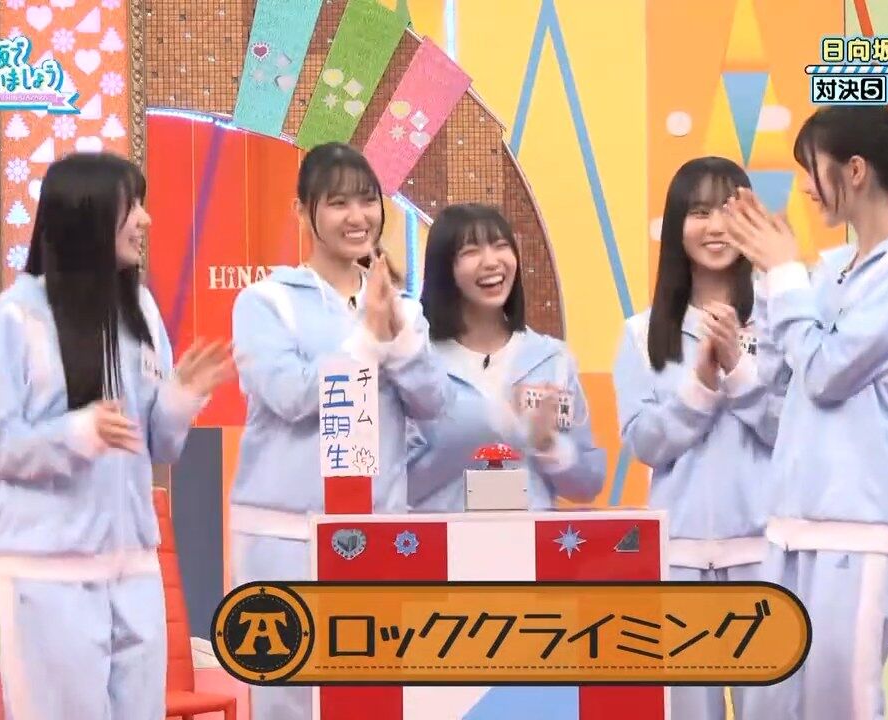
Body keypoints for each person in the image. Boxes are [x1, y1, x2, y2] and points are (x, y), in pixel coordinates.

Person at [0, 152, 233, 719]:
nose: (146, 220)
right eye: (132, 207)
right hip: (47, 569)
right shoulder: (15, 318)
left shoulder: (140, 308)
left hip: (134, 564)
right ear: (88, 214)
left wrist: (181, 396)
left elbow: (160, 447)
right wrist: (80, 432)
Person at [723, 106, 888, 720]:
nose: (803, 186)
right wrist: (768, 278)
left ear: (854, 171)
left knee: (840, 707)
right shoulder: (829, 270)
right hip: (789, 522)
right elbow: (781, 377)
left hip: (858, 523)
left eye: (811, 168)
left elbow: (827, 373)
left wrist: (785, 274)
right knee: (766, 706)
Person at [228, 142, 449, 720]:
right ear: (302, 211)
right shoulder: (266, 303)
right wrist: (366, 340)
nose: (358, 217)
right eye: (338, 203)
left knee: (374, 698)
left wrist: (398, 336)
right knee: (289, 699)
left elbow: (433, 402)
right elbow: (290, 395)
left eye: (368, 201)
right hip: (287, 537)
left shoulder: (402, 307)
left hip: (377, 534)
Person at [612, 156, 780, 720]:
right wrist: (701, 386)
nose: (714, 227)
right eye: (698, 212)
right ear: (676, 226)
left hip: (766, 562)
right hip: (678, 563)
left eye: (727, 211)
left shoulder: (783, 321)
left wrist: (739, 369)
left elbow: (795, 433)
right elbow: (645, 443)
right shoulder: (641, 333)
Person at [407, 203, 605, 512]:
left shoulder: (552, 360)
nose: (491, 262)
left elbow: (588, 484)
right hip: (443, 538)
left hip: (530, 538)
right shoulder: (416, 363)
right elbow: (401, 482)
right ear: (444, 269)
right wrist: (484, 427)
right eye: (471, 251)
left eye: (501, 246)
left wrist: (547, 445)